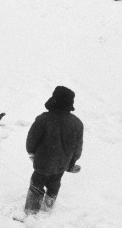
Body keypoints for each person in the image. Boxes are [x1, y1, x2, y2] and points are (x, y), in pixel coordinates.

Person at [24, 85, 84, 215]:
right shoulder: (77, 123)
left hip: (42, 162)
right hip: (62, 164)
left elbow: (32, 139)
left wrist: (32, 151)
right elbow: (77, 148)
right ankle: (47, 209)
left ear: (54, 100)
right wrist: (72, 162)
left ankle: (31, 211)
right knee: (54, 185)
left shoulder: (43, 119)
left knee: (36, 185)